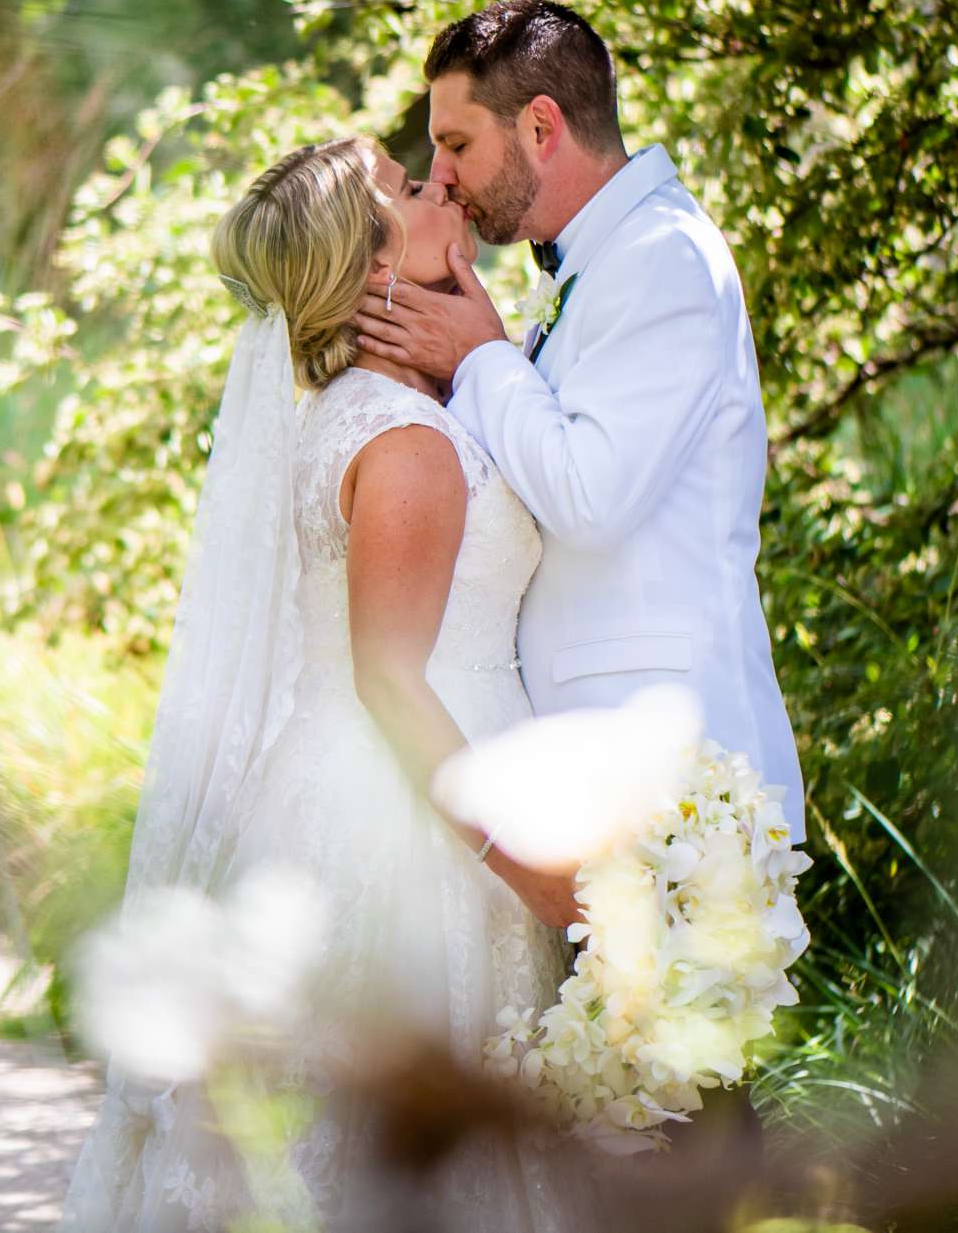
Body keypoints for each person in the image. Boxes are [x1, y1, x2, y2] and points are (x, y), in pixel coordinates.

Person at [61, 136, 582, 1233]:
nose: (437, 181)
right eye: (405, 186)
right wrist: (529, 869)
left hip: (359, 796)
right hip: (410, 828)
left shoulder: (363, 411)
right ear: (371, 274)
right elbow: (390, 681)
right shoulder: (403, 443)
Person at [353, 0, 808, 824]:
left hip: (680, 770)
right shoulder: (598, 263)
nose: (442, 173)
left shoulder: (662, 258)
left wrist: (480, 355)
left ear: (539, 126)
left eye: (456, 144)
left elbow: (591, 500)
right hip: (597, 768)